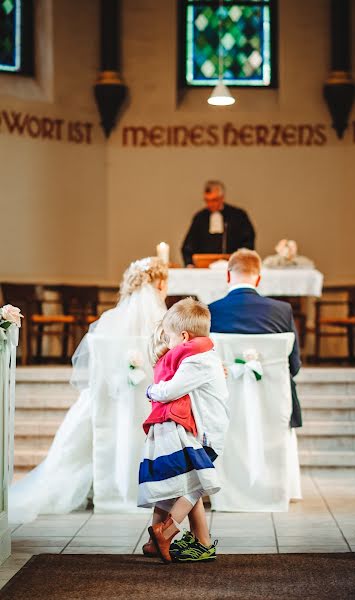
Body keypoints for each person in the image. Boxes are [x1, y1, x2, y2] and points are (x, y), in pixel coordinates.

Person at [9, 257, 168, 523]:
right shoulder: (164, 323)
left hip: (108, 400)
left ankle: (107, 488)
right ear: (159, 284)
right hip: (151, 402)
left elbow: (98, 372)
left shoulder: (109, 319)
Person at [138, 298, 229, 563]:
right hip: (199, 428)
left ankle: (166, 532)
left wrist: (150, 391)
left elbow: (171, 390)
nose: (167, 342)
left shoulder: (198, 361)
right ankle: (160, 541)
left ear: (185, 336)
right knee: (185, 481)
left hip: (207, 433)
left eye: (169, 337)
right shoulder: (200, 356)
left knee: (193, 485)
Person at [208, 248, 302, 427]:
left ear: (228, 276)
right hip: (274, 404)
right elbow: (294, 366)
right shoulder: (282, 311)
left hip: (225, 404)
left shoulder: (211, 311)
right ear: (258, 278)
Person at [181, 180, 256, 266]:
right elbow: (188, 246)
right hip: (205, 269)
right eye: (207, 200)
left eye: (214, 200)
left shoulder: (238, 216)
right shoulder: (200, 218)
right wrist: (189, 263)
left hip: (233, 267)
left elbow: (248, 242)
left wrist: (240, 260)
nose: (210, 204)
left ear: (222, 198)